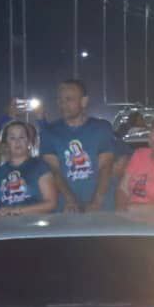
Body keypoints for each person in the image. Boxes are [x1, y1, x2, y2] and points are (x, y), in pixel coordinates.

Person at [39, 80, 115, 212]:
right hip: (65, 209)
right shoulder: (49, 132)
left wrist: (96, 202)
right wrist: (70, 200)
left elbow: (106, 166)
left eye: (69, 99)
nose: (63, 104)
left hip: (100, 208)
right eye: (60, 100)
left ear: (84, 101)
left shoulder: (102, 128)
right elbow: (54, 170)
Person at [0, 121, 57, 219]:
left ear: (29, 141)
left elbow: (51, 203)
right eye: (12, 138)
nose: (17, 142)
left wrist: (17, 211)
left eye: (22, 137)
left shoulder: (41, 167)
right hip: (6, 226)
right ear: (5, 144)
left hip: (36, 224)